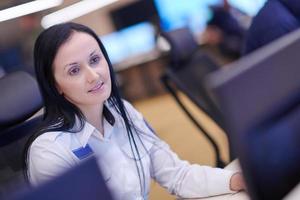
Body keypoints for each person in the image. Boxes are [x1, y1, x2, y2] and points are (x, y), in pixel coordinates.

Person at [23, 22, 245, 200]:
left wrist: (235, 180)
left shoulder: (124, 113)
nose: (93, 75)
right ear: (56, 86)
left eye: (94, 59)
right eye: (74, 70)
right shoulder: (49, 153)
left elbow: (177, 175)